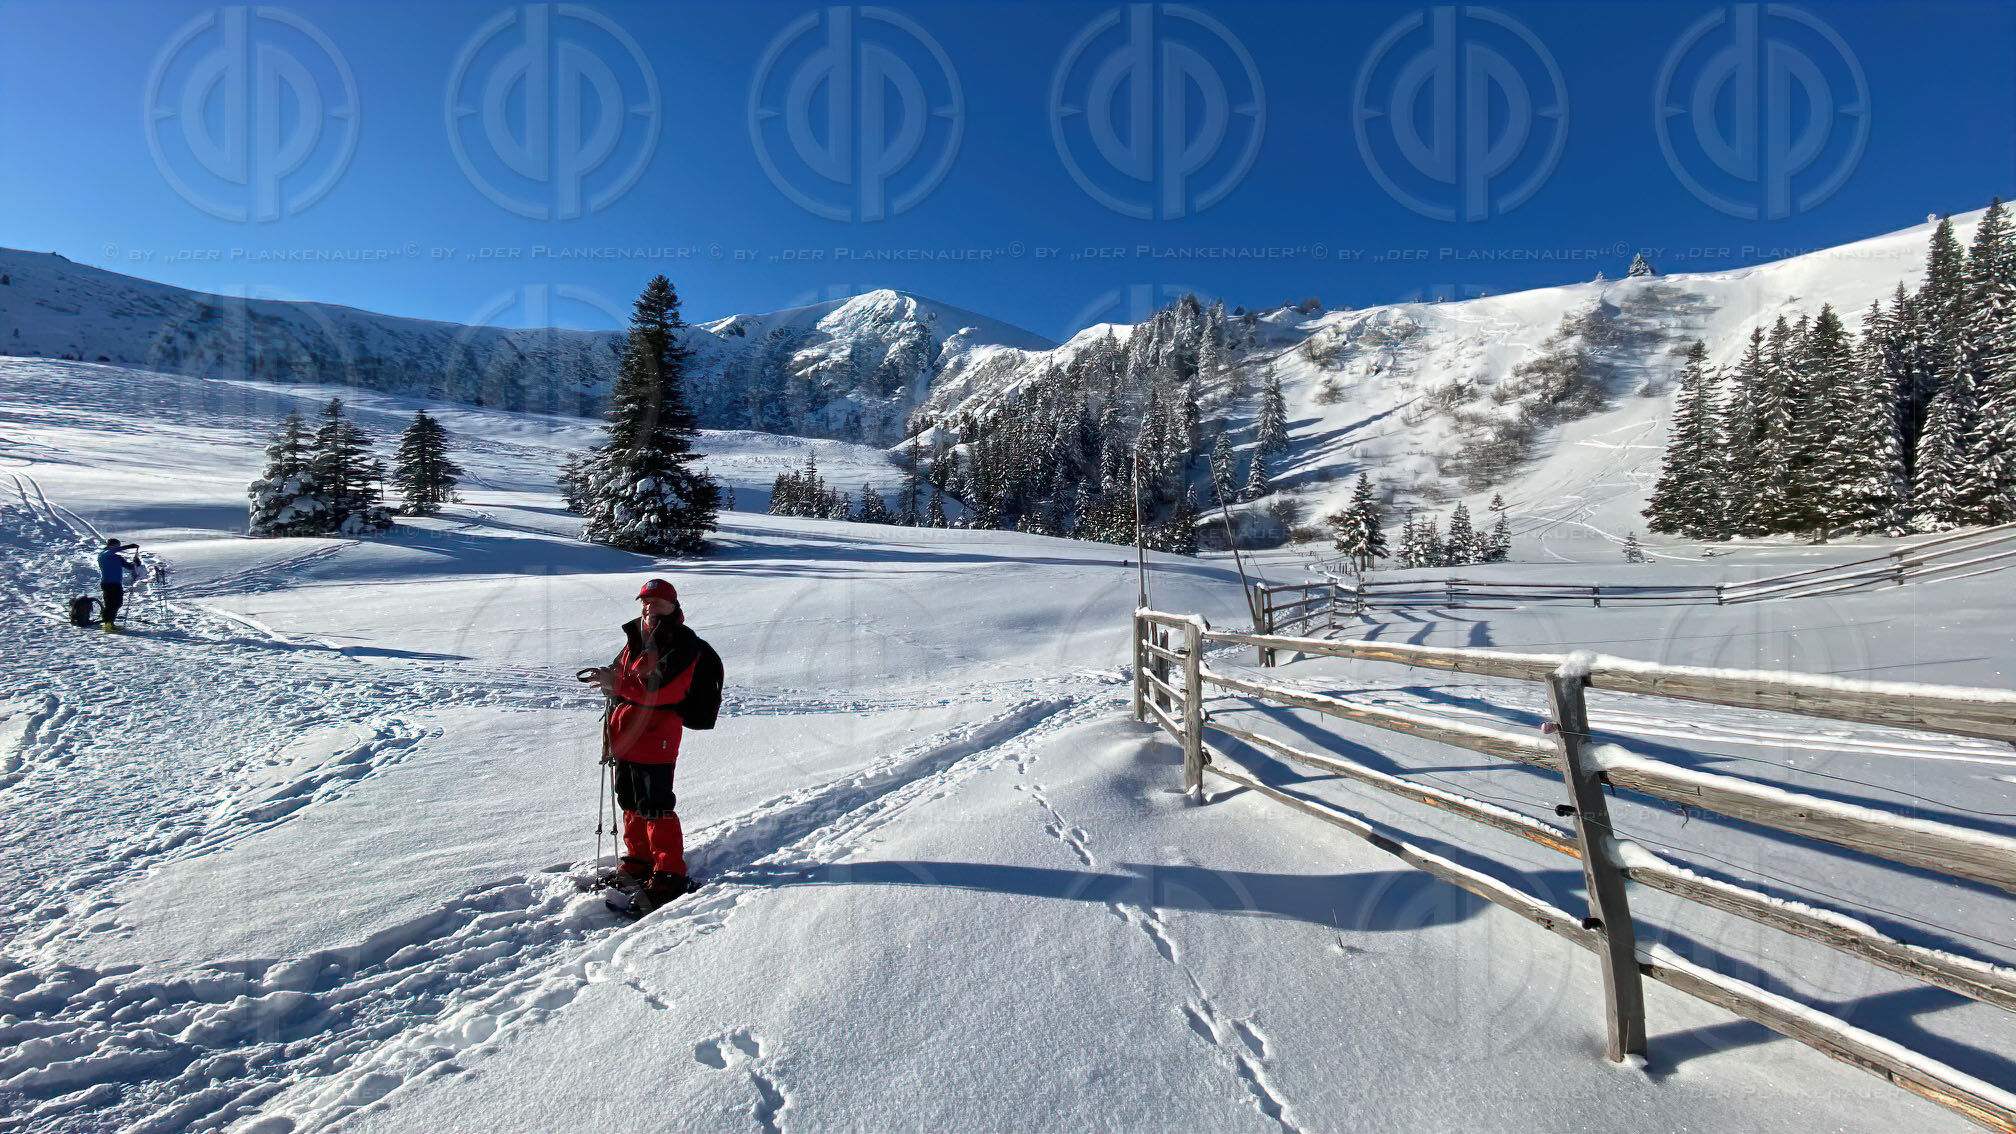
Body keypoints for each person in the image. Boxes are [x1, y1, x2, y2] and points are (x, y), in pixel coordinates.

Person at [579, 578, 719, 912]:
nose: (649, 606)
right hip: (626, 735)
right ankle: (638, 861)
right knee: (630, 800)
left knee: (655, 804)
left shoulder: (681, 643)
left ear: (674, 605)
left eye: (657, 601)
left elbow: (665, 692)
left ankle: (670, 872)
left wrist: (619, 684)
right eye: (645, 600)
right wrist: (611, 680)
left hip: (658, 735)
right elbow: (624, 676)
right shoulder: (636, 638)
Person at [96, 538, 141, 630]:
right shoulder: (107, 555)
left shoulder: (104, 555)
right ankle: (108, 624)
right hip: (112, 583)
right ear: (110, 546)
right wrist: (129, 547)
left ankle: (107, 621)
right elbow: (114, 552)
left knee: (112, 603)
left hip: (109, 582)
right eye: (117, 546)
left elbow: (130, 566)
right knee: (114, 603)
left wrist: (135, 563)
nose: (118, 548)